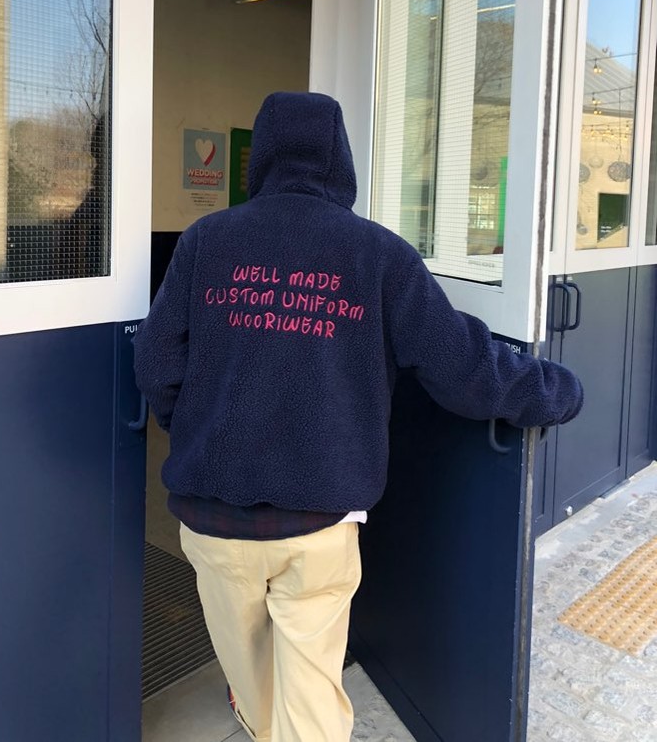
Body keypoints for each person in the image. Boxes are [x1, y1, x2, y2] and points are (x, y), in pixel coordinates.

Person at [133, 91, 583, 742]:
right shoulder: (377, 254)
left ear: (261, 156)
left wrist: (198, 430)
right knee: (311, 694)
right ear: (341, 159)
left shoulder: (207, 241)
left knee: (250, 679)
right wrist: (556, 390)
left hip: (213, 520)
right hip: (317, 522)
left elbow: (155, 360)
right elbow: (462, 366)